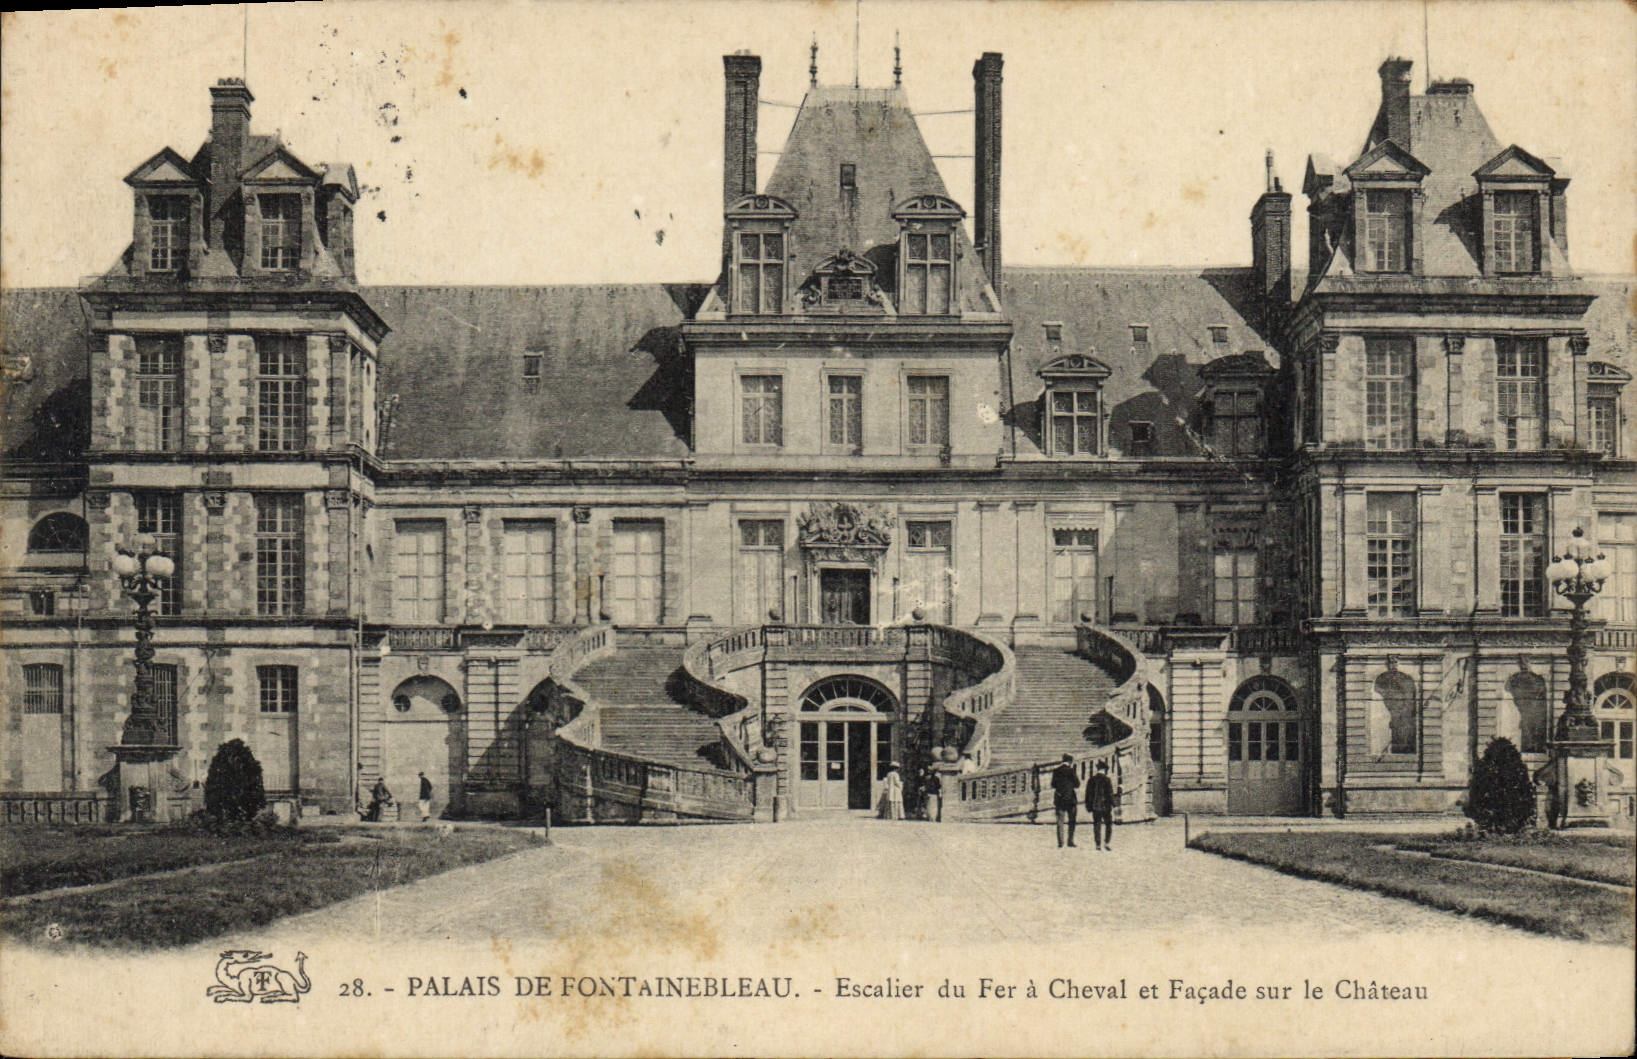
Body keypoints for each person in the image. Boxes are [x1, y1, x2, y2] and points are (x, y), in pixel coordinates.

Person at [1086, 760, 1118, 851]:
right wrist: (1114, 804)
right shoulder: (1107, 780)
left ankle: (1098, 844)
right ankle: (1107, 842)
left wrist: (1089, 806)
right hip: (1106, 806)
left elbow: (1088, 794)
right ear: (1104, 770)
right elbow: (1110, 794)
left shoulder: (1091, 780)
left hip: (1095, 806)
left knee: (1097, 825)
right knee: (1108, 824)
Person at [1049, 754, 1079, 848]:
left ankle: (1060, 842)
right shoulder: (1071, 771)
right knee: (1072, 820)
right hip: (1070, 798)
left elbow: (1053, 784)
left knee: (1060, 821)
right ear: (1070, 762)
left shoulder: (1056, 771)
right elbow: (1077, 784)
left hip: (1060, 798)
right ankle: (1070, 841)